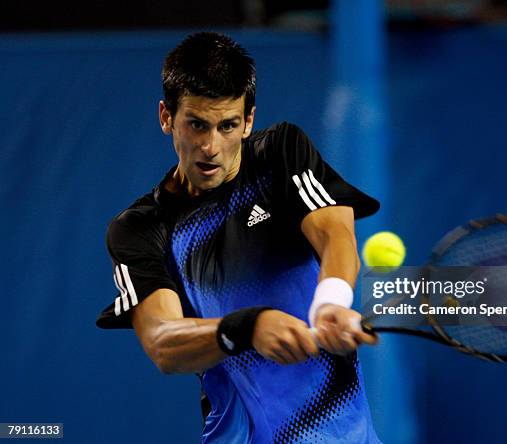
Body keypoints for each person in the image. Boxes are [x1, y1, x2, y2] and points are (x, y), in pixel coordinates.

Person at [97, 31, 381, 443]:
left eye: (227, 125)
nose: (211, 146)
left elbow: (335, 233)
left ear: (248, 121)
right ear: (166, 117)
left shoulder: (279, 155)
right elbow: (162, 342)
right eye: (196, 124)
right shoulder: (141, 228)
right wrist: (245, 328)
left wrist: (330, 302)